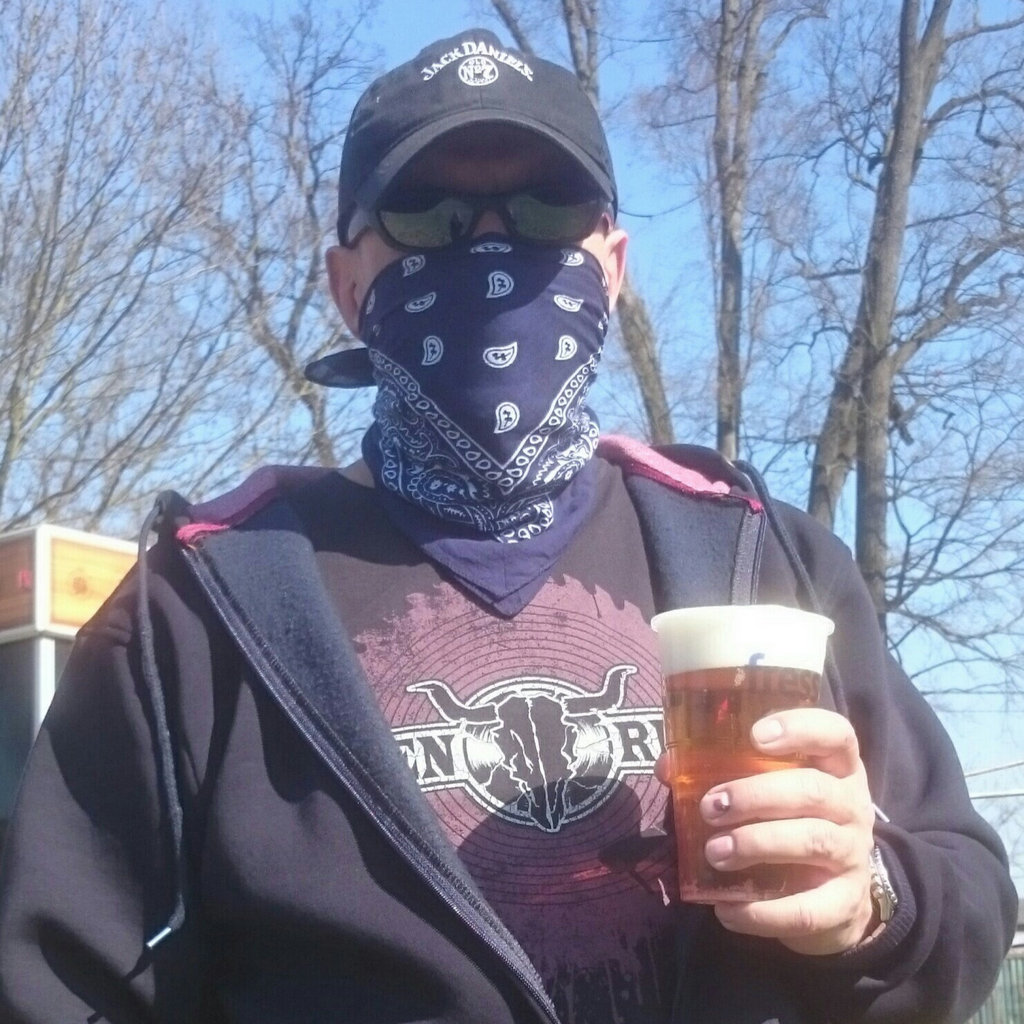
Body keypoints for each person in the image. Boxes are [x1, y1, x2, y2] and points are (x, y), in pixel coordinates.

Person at [0, 28, 1016, 1024]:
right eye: (428, 214)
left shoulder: (764, 558)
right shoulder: (195, 610)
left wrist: (870, 901)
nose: (491, 248)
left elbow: (964, 898)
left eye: (546, 209)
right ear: (346, 284)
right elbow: (56, 981)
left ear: (611, 265)